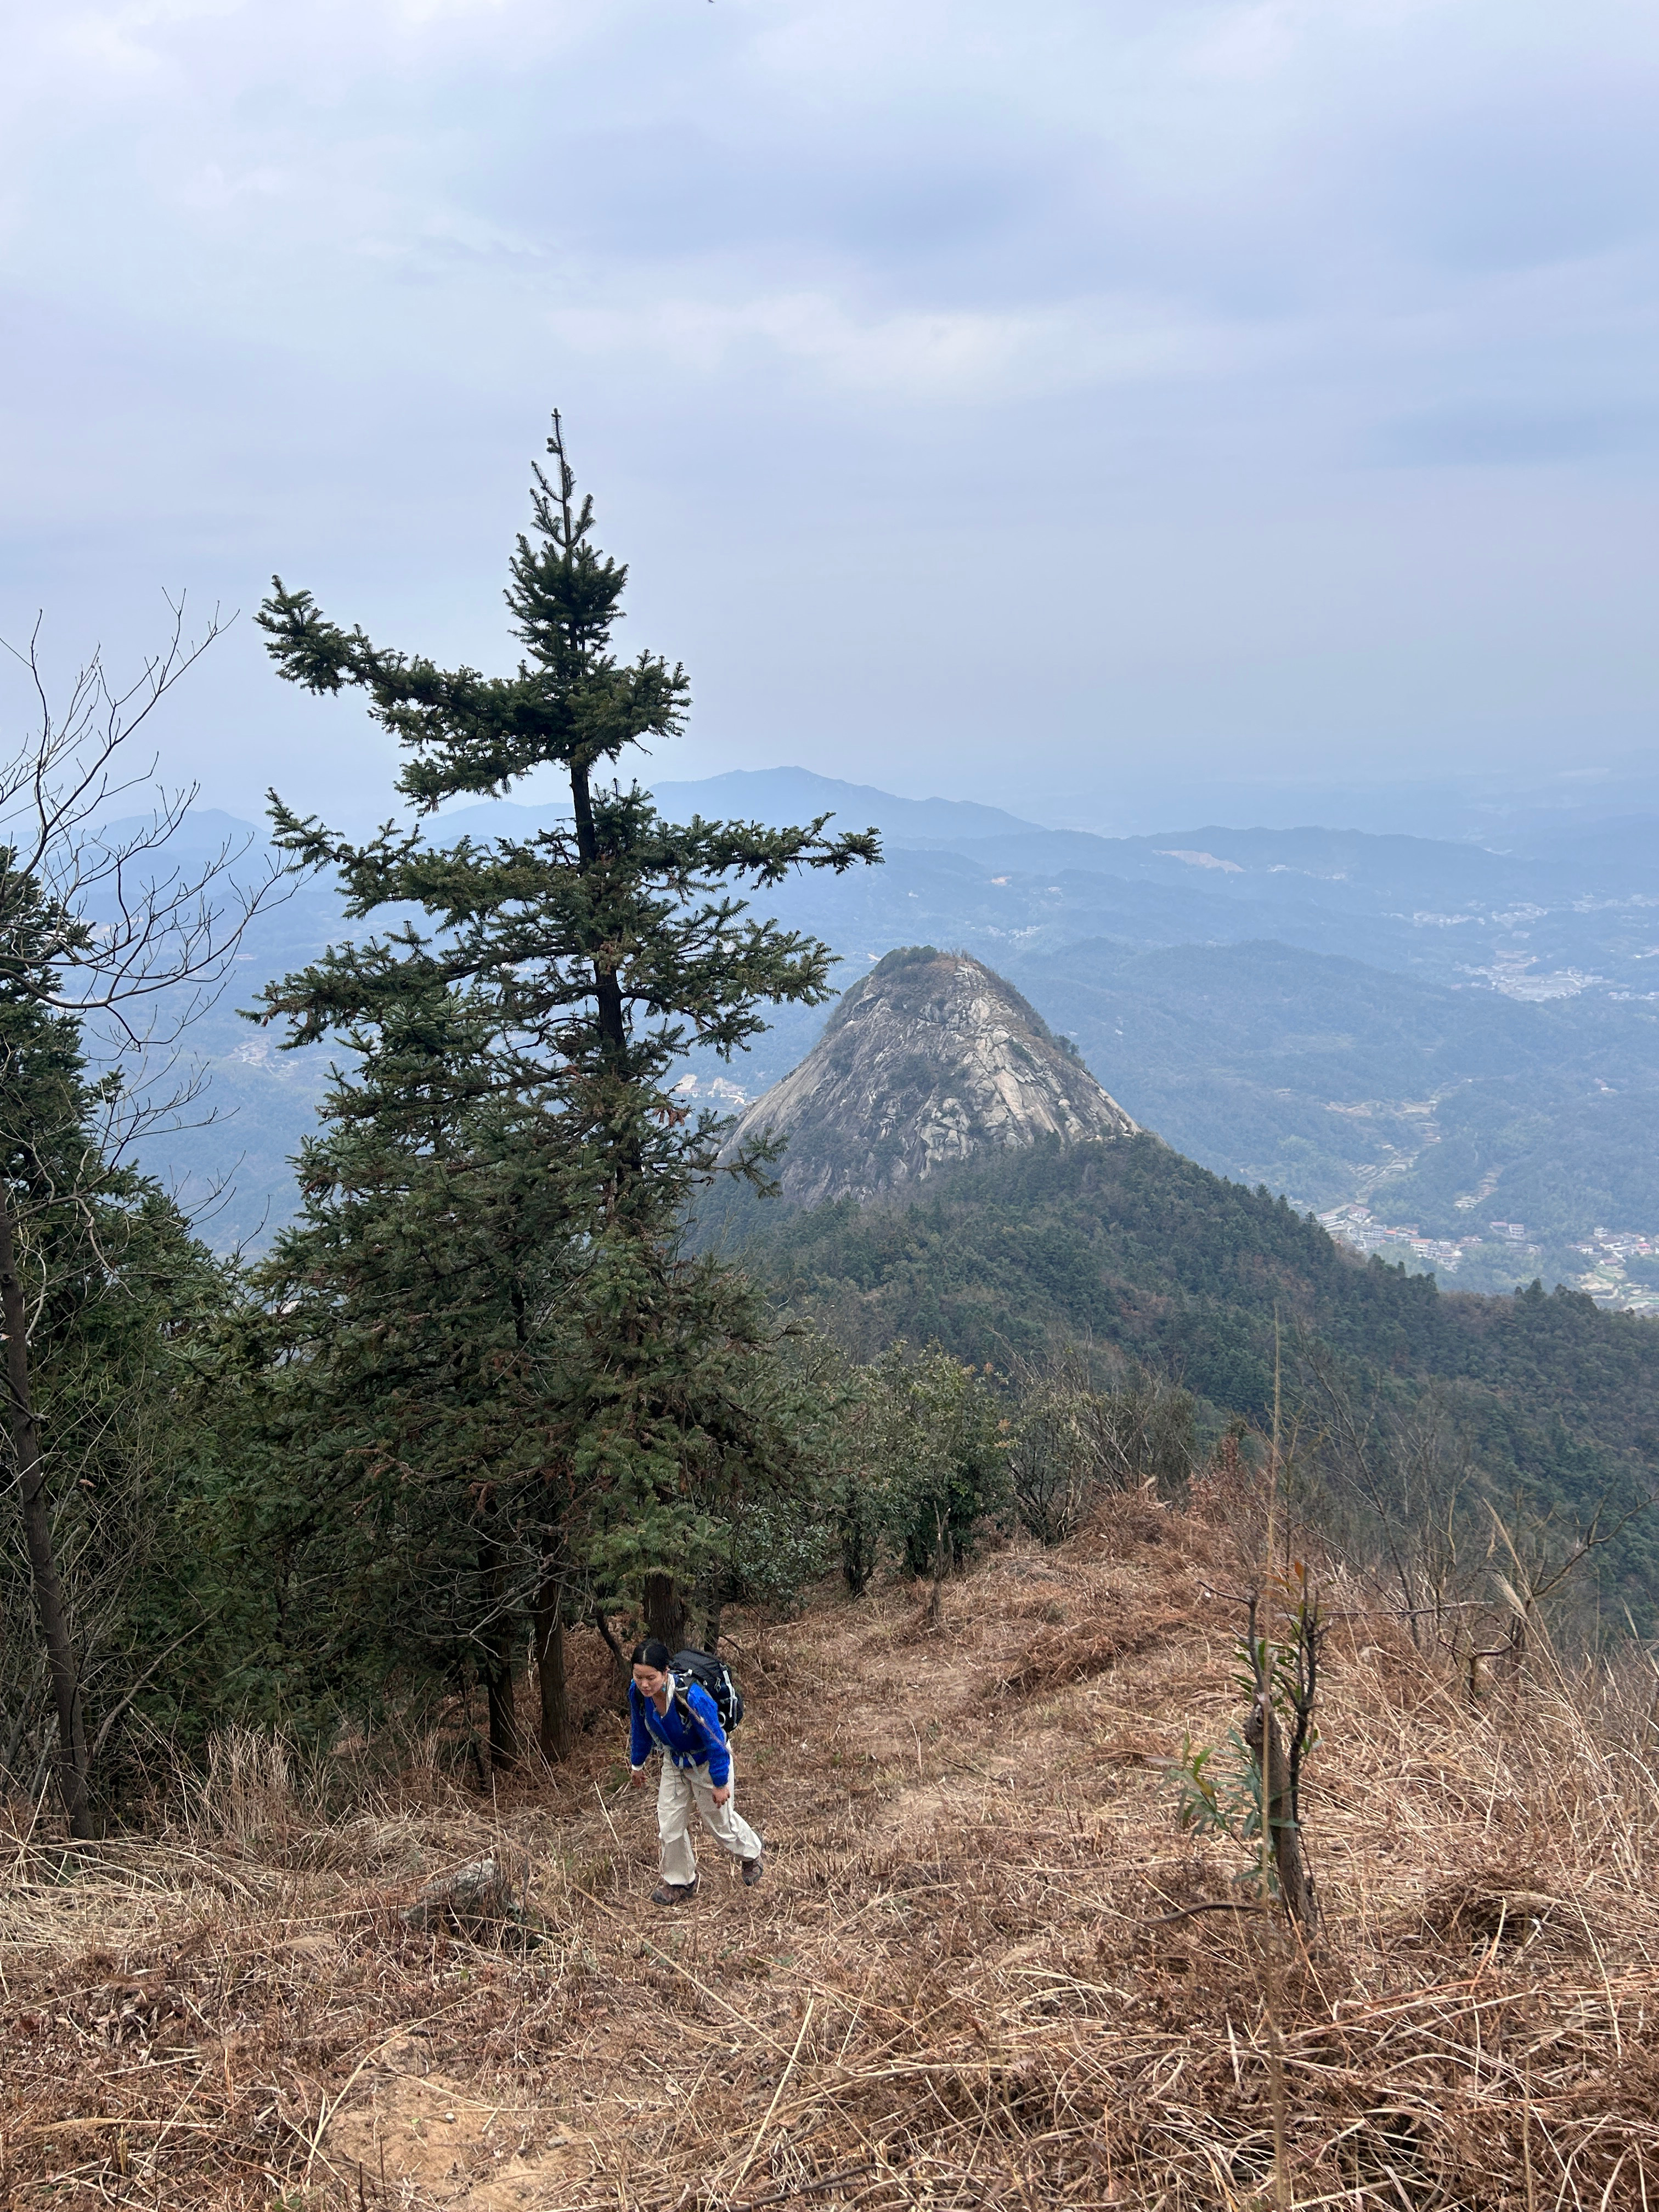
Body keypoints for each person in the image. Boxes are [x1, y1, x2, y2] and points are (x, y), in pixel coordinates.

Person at [628, 1638, 763, 1904]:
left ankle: (751, 1855)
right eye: (638, 1676)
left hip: (706, 1763)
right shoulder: (637, 1693)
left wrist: (720, 1782)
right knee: (669, 1826)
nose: (644, 1684)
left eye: (651, 1678)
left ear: (666, 1672)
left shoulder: (691, 1697)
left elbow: (715, 1739)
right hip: (675, 1762)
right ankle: (681, 1882)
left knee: (720, 1824)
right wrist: (637, 1764)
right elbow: (640, 1727)